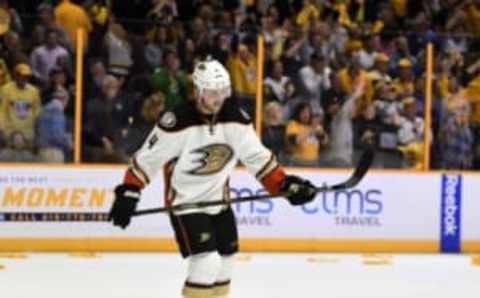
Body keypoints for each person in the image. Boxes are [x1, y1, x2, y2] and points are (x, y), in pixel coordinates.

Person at [108, 59, 317, 298]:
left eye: (223, 91)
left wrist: (284, 183)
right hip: (185, 204)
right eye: (212, 92)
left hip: (219, 201)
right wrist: (129, 191)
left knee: (226, 261)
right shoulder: (176, 122)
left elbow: (257, 158)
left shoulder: (236, 118)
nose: (219, 98)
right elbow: (147, 160)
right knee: (206, 262)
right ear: (197, 91)